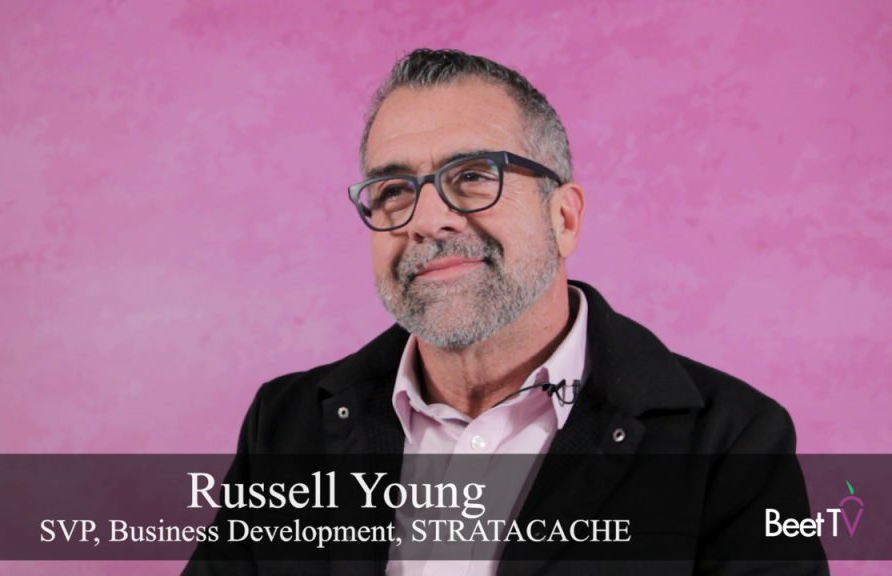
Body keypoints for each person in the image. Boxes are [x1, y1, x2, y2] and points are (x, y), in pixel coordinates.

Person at [184, 48, 827, 575]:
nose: (427, 220)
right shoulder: (286, 425)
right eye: (394, 190)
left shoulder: (731, 440)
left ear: (564, 218)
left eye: (471, 176)